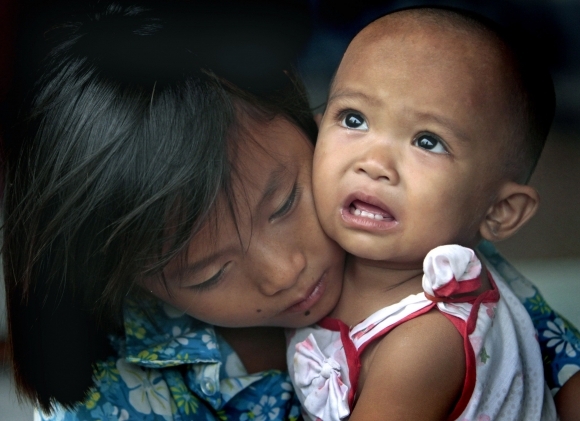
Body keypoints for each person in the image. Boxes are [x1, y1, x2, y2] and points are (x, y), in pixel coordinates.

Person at [1, 2, 578, 421]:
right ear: (126, 281)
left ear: (298, 104)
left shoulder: (408, 236)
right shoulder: (117, 402)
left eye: (284, 202)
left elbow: (558, 356)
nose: (287, 271)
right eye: (210, 272)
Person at [286, 7, 567, 420]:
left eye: (428, 142)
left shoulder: (423, 344)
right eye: (354, 118)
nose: (374, 162)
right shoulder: (309, 252)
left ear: (500, 212)